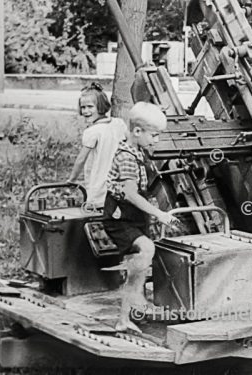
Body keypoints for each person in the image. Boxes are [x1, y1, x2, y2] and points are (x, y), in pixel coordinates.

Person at [102, 101, 178, 332]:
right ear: (137, 131)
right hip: (120, 217)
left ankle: (135, 307)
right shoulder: (127, 157)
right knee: (145, 250)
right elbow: (130, 194)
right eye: (154, 135)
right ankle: (124, 317)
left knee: (141, 261)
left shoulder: (137, 150)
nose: (156, 140)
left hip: (133, 216)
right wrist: (159, 214)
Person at [67, 82, 127, 208]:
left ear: (100, 106)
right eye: (83, 108)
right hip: (121, 182)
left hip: (101, 186)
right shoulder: (119, 124)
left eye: (90, 107)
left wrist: (72, 180)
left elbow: (81, 159)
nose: (86, 111)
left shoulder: (92, 132)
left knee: (98, 216)